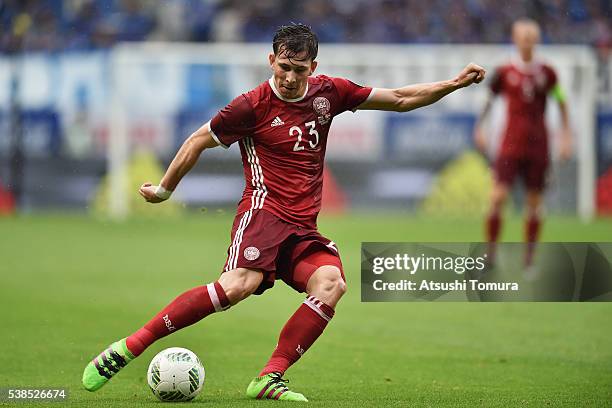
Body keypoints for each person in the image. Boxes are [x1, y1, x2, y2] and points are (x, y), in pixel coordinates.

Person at [82, 23, 485, 401]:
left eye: (299, 70)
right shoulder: (250, 107)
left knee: (331, 283)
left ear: (314, 67)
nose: (290, 77)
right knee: (237, 285)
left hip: (301, 226)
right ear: (271, 60)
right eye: (284, 67)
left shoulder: (330, 93)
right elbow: (196, 140)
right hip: (263, 213)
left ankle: (268, 377)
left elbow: (399, 99)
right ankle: (130, 346)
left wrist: (453, 83)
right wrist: (165, 190)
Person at [474, 18, 571, 272]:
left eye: (531, 37)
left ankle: (529, 259)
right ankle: (491, 253)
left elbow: (561, 101)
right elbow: (489, 99)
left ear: (536, 40)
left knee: (534, 203)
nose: (527, 41)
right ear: (515, 39)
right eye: (523, 36)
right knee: (497, 197)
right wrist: (480, 127)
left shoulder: (547, 73)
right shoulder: (505, 72)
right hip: (510, 145)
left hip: (538, 146)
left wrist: (566, 134)